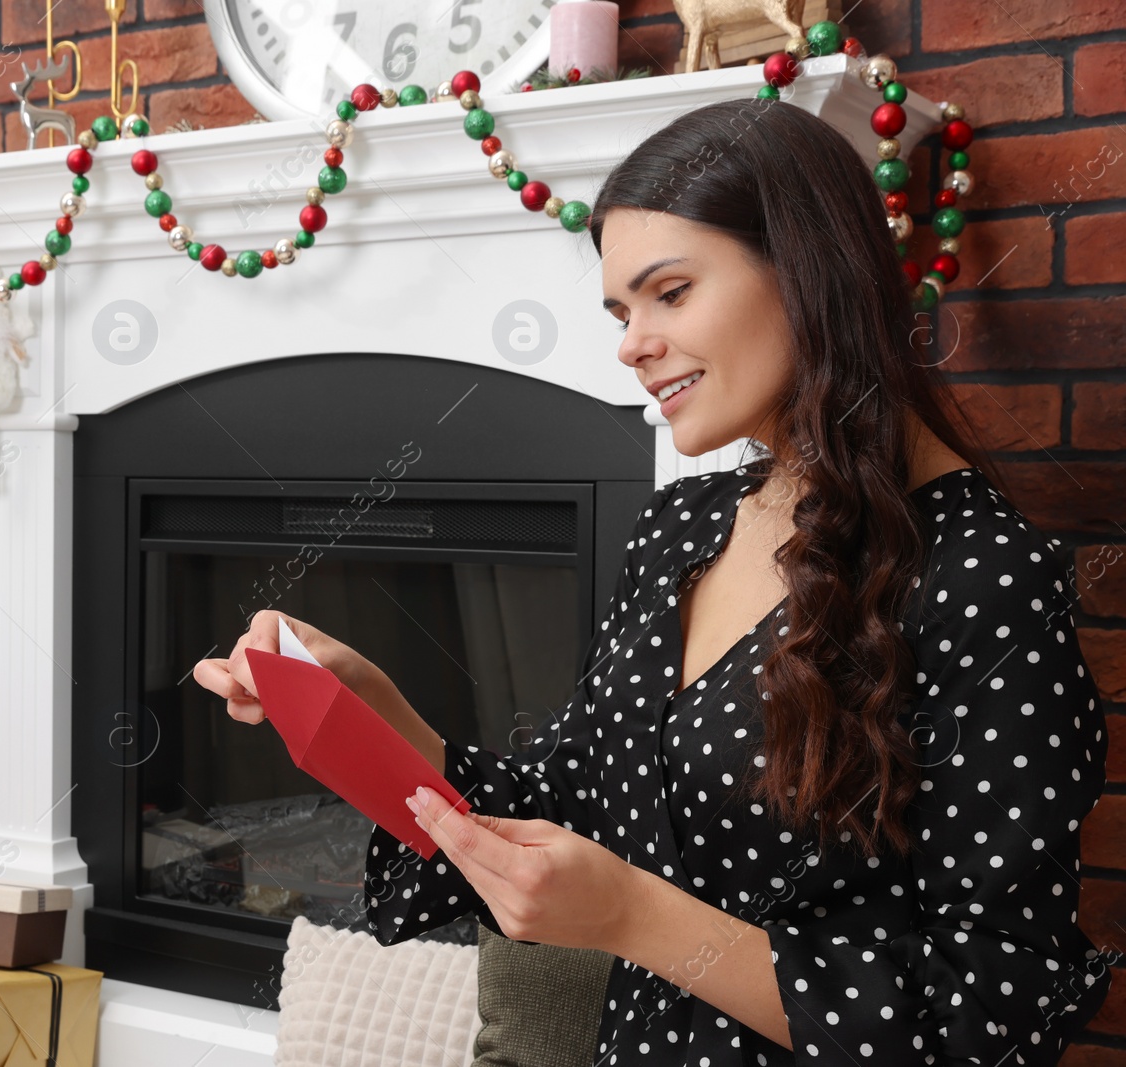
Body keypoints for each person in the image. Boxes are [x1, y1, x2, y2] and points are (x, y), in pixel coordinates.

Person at [191, 97, 1112, 1063]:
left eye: (669, 293)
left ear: (808, 273)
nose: (630, 342)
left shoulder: (984, 579)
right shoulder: (685, 528)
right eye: (621, 311)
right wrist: (372, 715)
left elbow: (993, 1016)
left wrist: (636, 918)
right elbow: (573, 801)